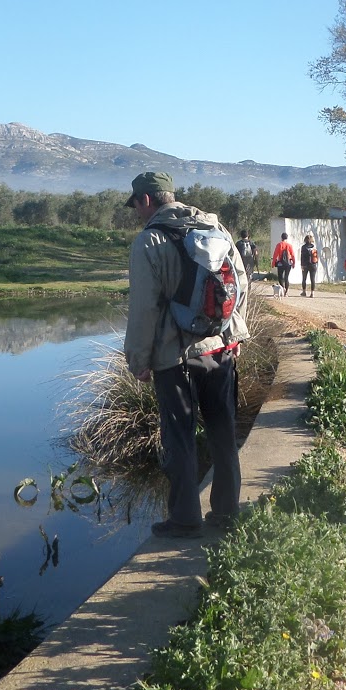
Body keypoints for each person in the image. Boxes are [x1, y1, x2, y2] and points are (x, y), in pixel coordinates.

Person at [123, 171, 250, 539]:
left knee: (178, 437)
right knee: (223, 432)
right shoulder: (216, 228)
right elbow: (240, 285)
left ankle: (184, 520)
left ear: (147, 200)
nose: (137, 212)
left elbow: (144, 308)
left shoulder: (149, 241)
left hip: (174, 357)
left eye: (136, 205)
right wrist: (234, 335)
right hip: (221, 349)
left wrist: (138, 360)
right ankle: (227, 512)